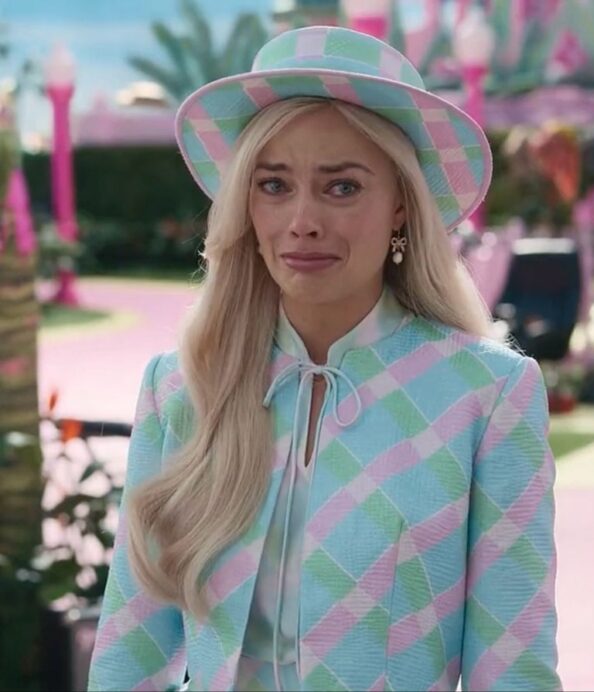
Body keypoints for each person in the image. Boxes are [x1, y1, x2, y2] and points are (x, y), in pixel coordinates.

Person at [88, 25, 560, 692]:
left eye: (341, 187)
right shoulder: (182, 386)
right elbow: (128, 656)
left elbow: (514, 671)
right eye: (273, 185)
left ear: (401, 205)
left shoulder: (487, 395)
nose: (302, 220)